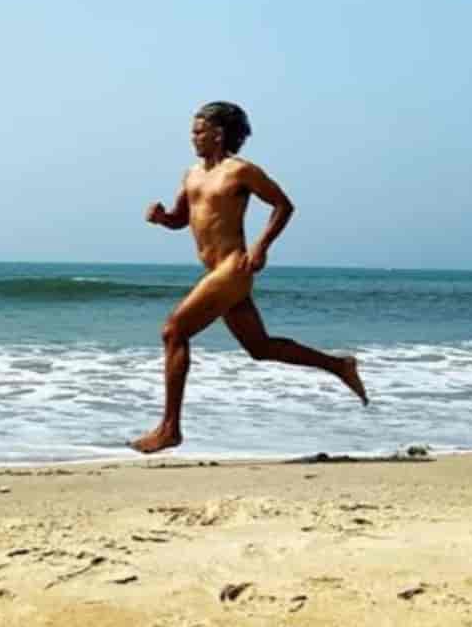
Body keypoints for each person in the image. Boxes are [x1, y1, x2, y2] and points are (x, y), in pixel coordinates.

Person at [130, 101, 368, 454]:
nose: (192, 137)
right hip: (215, 271)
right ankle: (339, 365)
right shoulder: (191, 174)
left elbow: (283, 205)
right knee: (260, 348)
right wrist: (162, 218)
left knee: (173, 331)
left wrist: (261, 247)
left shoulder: (241, 171)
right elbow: (182, 219)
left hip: (233, 269)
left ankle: (169, 429)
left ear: (218, 134)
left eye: (198, 131)